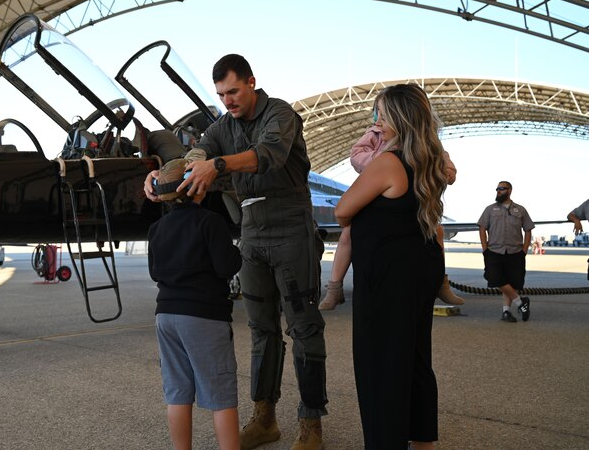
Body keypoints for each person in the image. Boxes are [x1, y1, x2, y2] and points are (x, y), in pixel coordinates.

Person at [144, 54, 328, 450]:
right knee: (261, 330)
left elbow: (269, 155)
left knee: (304, 328)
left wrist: (219, 164)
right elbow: (193, 159)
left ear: (251, 82)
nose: (227, 100)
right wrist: (160, 175)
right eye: (221, 95)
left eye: (233, 91)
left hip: (291, 227)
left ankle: (311, 423)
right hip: (251, 232)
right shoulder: (220, 127)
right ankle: (265, 418)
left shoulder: (279, 114)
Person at [334, 83, 447, 450]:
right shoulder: (429, 163)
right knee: (414, 358)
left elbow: (342, 209)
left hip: (387, 275)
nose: (376, 122)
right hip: (420, 269)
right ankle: (423, 441)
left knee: (380, 364)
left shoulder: (387, 162)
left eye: (380, 114)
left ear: (398, 118)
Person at [319, 116, 463, 310]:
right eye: (379, 114)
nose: (379, 122)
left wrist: (447, 170)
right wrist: (387, 159)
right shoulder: (375, 135)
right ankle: (334, 287)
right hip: (376, 192)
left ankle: (441, 282)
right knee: (347, 235)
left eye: (385, 115)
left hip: (412, 200)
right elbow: (357, 156)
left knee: (436, 231)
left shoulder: (427, 142)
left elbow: (443, 160)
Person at [148, 158, 243, 450]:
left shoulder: (157, 228)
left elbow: (155, 272)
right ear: (196, 188)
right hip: (203, 316)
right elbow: (226, 266)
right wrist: (237, 252)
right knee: (220, 394)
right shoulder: (209, 222)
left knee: (177, 392)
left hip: (166, 315)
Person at [478, 181, 534, 322]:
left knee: (511, 282)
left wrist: (524, 250)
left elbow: (528, 229)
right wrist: (485, 248)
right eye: (497, 189)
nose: (498, 191)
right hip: (494, 251)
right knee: (494, 278)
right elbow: (482, 228)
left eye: (501, 189)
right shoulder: (490, 209)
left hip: (515, 252)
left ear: (509, 190)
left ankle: (506, 312)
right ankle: (521, 303)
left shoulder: (520, 210)